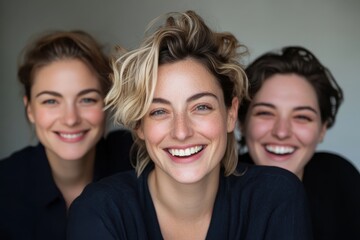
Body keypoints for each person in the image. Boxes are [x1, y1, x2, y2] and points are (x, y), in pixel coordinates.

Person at [67, 11, 312, 240]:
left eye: (201, 107)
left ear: (230, 113)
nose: (181, 132)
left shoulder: (276, 197)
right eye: (160, 111)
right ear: (138, 126)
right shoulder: (99, 211)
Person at [0, 30, 133, 240]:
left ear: (106, 103)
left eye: (87, 99)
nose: (71, 119)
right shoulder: (5, 185)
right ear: (30, 109)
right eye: (51, 101)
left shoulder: (134, 161)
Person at [237, 46, 360, 240]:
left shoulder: (341, 180)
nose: (282, 132)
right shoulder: (216, 188)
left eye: (302, 117)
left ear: (322, 129)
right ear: (242, 123)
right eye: (265, 113)